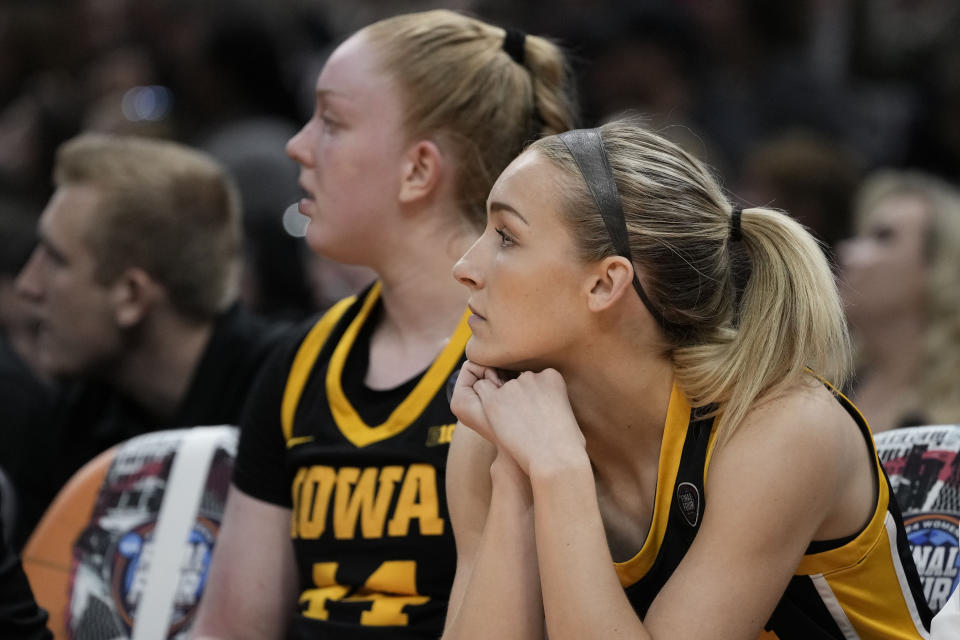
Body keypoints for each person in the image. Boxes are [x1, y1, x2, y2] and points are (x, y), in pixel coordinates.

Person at [443, 120, 932, 639]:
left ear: (606, 282)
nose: (465, 267)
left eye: (505, 237)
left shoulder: (780, 427)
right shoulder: (501, 430)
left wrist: (557, 471)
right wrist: (518, 479)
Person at [192, 9, 578, 639]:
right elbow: (229, 630)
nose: (297, 145)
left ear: (419, 170)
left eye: (332, 122)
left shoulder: (531, 367)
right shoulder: (297, 363)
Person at [12, 134, 287, 544]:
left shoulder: (294, 400)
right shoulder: (69, 420)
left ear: (132, 295)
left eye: (54, 259)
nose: (27, 285)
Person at [838, 170, 960, 432]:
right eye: (859, 234)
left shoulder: (952, 415)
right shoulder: (825, 383)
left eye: (882, 237)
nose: (848, 251)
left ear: (937, 268)